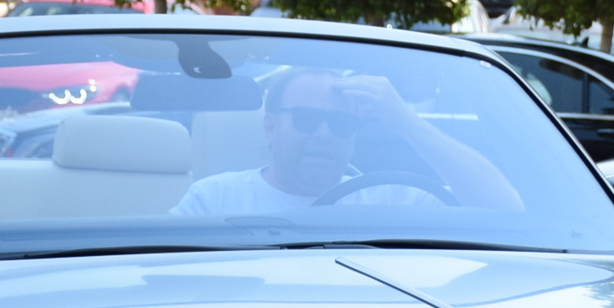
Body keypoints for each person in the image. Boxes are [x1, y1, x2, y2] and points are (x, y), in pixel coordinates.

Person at [173, 67, 520, 215]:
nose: (324, 134)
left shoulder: (388, 202)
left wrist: (407, 123)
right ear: (270, 127)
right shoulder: (215, 201)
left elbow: (505, 209)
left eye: (341, 123)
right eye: (307, 119)